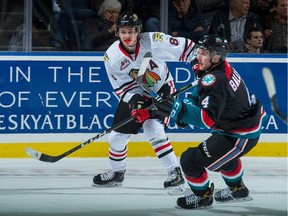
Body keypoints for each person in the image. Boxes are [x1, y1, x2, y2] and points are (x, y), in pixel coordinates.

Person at [153, 34, 268, 209]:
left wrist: (179, 110)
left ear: (216, 57)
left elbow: (207, 119)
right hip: (242, 129)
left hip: (237, 136)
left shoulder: (216, 80)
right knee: (226, 159)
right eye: (199, 52)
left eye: (204, 53)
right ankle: (238, 190)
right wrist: (187, 107)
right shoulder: (220, 69)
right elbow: (202, 91)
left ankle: (203, 197)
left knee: (189, 160)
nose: (198, 57)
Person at [92, 13, 197, 195]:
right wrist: (133, 100)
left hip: (162, 88)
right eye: (123, 32)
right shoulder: (112, 56)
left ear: (138, 31)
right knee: (115, 138)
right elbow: (120, 86)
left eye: (131, 31)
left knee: (153, 128)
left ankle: (175, 172)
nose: (127, 36)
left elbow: (187, 48)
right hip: (135, 92)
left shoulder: (154, 41)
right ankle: (117, 174)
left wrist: (198, 65)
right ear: (117, 32)